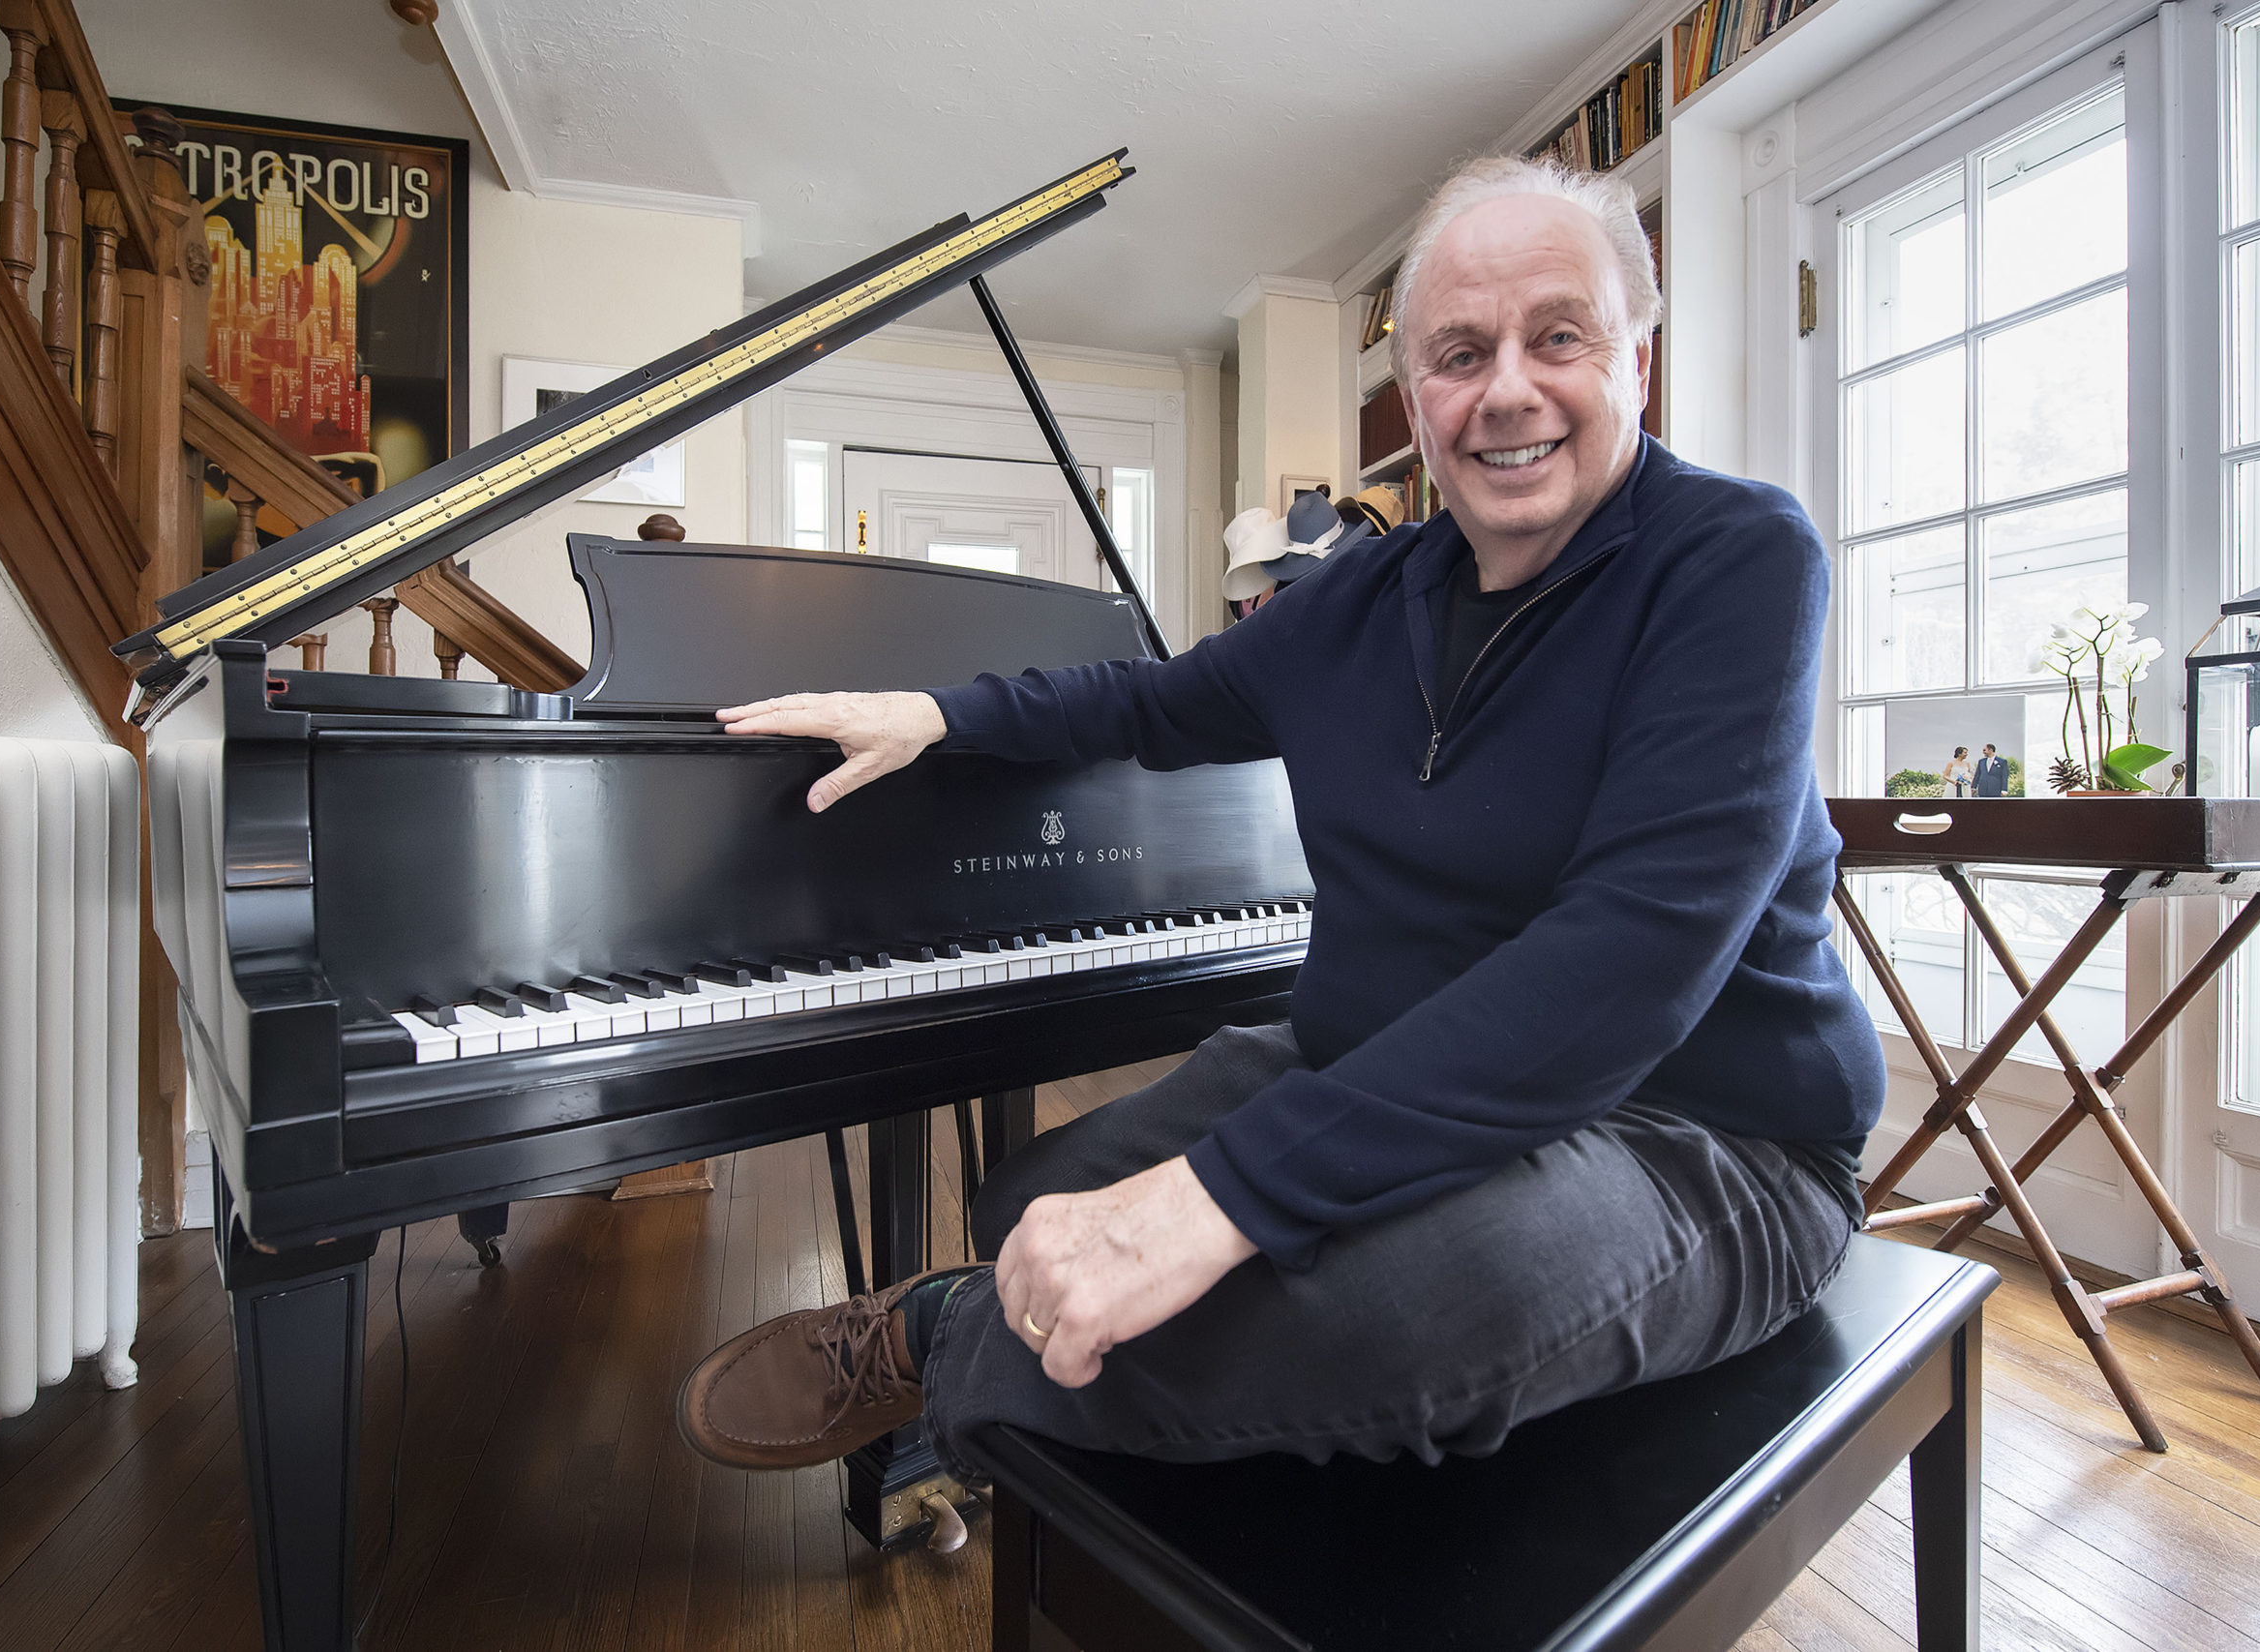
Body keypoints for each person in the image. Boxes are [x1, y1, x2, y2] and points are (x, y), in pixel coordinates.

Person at [673, 154, 1884, 1485]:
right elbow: (1146, 702)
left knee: (1421, 1307)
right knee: (1042, 1197)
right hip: (1383, 1057)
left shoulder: (1738, 559)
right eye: (1460, 354)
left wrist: (1222, 1198)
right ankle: (1108, 1417)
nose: (1508, 391)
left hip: (1705, 1137)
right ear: (1415, 399)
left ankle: (938, 1338)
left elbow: (1629, 960)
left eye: (1559, 338)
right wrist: (938, 714)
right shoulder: (1355, 604)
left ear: (1636, 362)